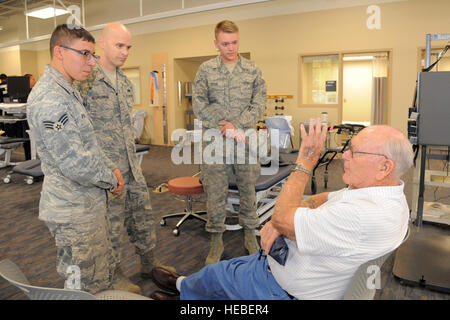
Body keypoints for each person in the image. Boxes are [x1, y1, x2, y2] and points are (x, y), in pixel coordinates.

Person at [149, 121, 413, 300]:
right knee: (216, 274)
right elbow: (322, 198)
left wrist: (305, 163)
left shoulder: (363, 215)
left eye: (353, 152)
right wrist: (281, 223)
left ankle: (181, 287)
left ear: (384, 167)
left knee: (217, 277)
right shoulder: (380, 195)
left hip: (277, 287)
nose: (344, 156)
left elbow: (283, 216)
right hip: (280, 260)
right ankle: (184, 287)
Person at [74, 22, 175, 294]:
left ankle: (148, 261)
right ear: (102, 44)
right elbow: (80, 132)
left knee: (142, 217)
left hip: (132, 165)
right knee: (112, 227)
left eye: (128, 46)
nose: (125, 51)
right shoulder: (86, 79)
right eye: (119, 45)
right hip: (107, 172)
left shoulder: (123, 81)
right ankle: (114, 274)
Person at [26, 24, 125, 294]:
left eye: (93, 55)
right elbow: (74, 161)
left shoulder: (68, 91)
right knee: (82, 286)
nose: (91, 63)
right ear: (59, 52)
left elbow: (88, 142)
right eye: (84, 54)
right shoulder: (51, 98)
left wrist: (112, 168)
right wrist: (109, 179)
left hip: (86, 204)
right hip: (72, 210)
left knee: (96, 276)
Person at [193, 20, 267, 265]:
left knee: (248, 189)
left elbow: (259, 103)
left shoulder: (252, 70)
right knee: (215, 193)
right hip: (215, 142)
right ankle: (216, 239)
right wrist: (223, 124)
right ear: (216, 43)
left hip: (244, 141)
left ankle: (249, 234)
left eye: (234, 42)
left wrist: (237, 124)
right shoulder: (206, 70)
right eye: (225, 43)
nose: (230, 48)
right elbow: (199, 104)